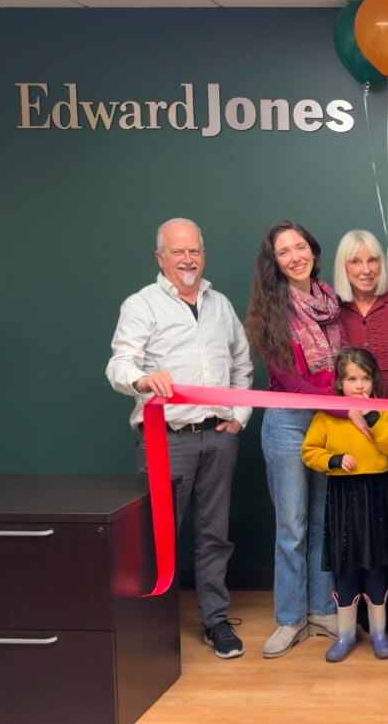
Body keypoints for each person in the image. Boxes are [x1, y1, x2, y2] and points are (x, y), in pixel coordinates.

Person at [105, 217, 252, 659]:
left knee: (215, 535)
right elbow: (119, 364)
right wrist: (143, 379)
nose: (188, 259)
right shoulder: (141, 305)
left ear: (203, 255)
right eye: (178, 252)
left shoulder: (220, 305)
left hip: (219, 438)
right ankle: (151, 629)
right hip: (166, 439)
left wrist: (239, 416)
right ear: (160, 257)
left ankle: (216, 621)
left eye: (195, 251)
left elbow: (241, 363)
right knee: (156, 537)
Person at [245, 219, 363, 658]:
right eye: (284, 252)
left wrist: (344, 405)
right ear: (274, 262)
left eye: (300, 247)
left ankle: (320, 609)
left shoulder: (332, 302)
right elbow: (290, 380)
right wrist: (343, 407)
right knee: (292, 525)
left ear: (312, 250)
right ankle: (290, 617)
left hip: (330, 422)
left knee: (323, 519)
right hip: (290, 423)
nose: (295, 257)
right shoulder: (271, 310)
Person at [332, 228, 388, 634]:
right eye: (356, 261)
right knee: (354, 525)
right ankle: (356, 604)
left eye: (372, 260)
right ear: (343, 267)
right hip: (348, 437)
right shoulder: (332, 312)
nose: (366, 269)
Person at [301, 348, 388, 662]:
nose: (359, 385)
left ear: (374, 381)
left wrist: (374, 419)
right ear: (339, 383)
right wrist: (332, 460)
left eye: (365, 378)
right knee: (345, 567)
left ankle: (378, 634)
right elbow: (309, 451)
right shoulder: (328, 416)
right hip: (343, 497)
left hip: (376, 496)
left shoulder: (383, 411)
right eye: (351, 379)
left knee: (375, 567)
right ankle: (345, 635)